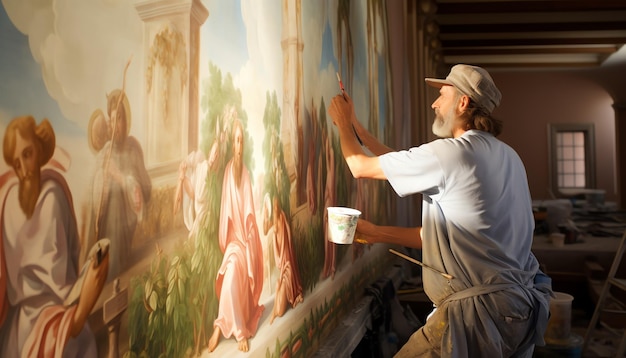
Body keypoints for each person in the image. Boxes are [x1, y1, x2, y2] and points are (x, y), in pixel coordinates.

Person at [328, 64, 553, 357]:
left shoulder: (452, 153)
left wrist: (343, 123)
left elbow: (359, 167)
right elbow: (447, 235)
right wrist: (377, 233)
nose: (435, 103)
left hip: (479, 317)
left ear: (463, 103)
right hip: (518, 312)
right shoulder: (508, 156)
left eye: (442, 95)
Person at [0, 116, 109, 357]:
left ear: (39, 149)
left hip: (48, 321)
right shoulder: (11, 202)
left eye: (27, 155)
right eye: (17, 163)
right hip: (42, 325)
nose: (24, 171)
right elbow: (65, 284)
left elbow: (62, 274)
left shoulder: (50, 196)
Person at [208, 119, 264, 353]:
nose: (239, 145)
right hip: (232, 244)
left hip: (246, 243)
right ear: (232, 144)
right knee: (230, 278)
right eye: (236, 140)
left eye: (242, 141)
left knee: (239, 279)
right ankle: (221, 328)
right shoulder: (229, 172)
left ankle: (234, 329)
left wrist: (250, 241)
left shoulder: (247, 174)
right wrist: (232, 242)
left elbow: (250, 215)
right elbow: (225, 214)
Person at [91, 89, 152, 280]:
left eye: (120, 119)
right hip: (106, 228)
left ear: (126, 121)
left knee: (118, 197)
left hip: (127, 223)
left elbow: (146, 189)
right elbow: (96, 199)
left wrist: (120, 178)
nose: (116, 126)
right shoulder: (105, 153)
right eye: (112, 119)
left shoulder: (133, 149)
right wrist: (104, 179)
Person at [263, 194, 304, 324]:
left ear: (278, 206)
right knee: (279, 286)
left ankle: (291, 298)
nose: (275, 208)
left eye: (276, 206)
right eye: (273, 206)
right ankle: (276, 310)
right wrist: (265, 213)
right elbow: (266, 230)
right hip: (282, 262)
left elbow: (277, 230)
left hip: (286, 260)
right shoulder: (275, 220)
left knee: (280, 311)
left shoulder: (281, 217)